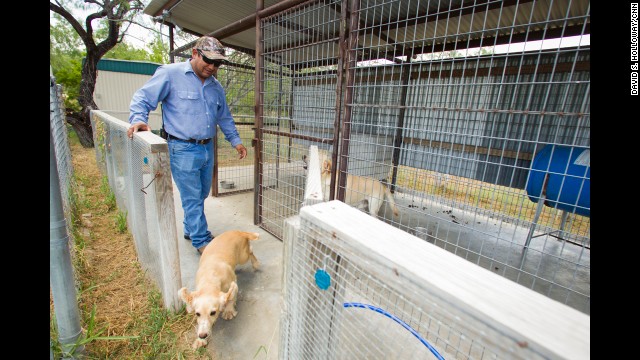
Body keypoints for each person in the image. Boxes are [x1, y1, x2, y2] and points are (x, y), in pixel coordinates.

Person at [127, 36, 247, 255]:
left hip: (207, 147)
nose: (212, 67)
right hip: (182, 148)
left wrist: (236, 142)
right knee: (191, 196)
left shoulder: (216, 86)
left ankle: (190, 228)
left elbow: (225, 117)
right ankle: (202, 242)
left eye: (217, 63)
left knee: (201, 193)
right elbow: (143, 98)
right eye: (208, 60)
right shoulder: (170, 74)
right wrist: (138, 119)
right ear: (194, 53)